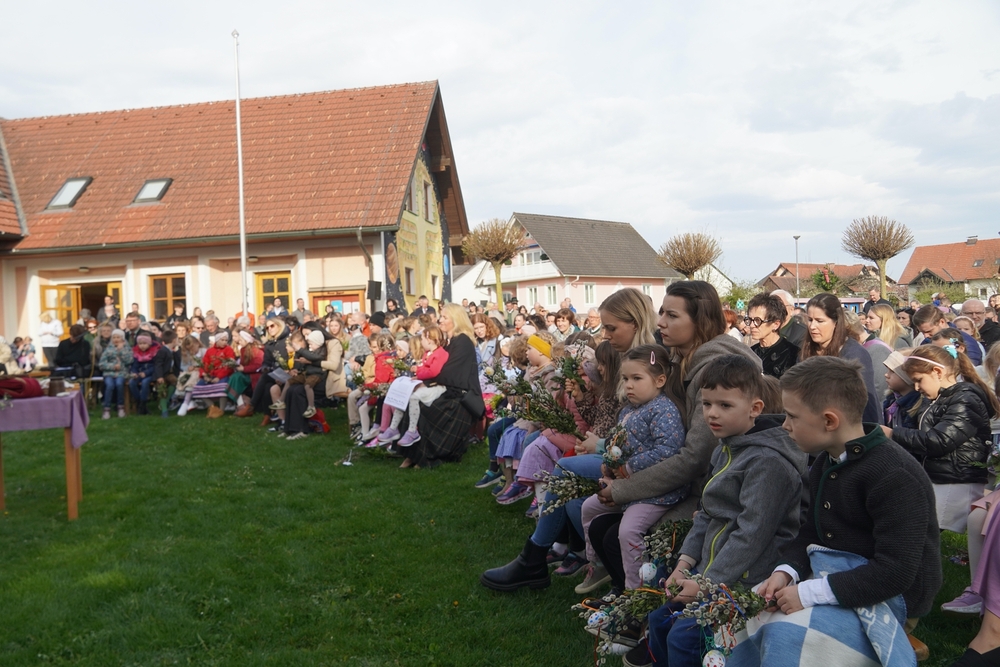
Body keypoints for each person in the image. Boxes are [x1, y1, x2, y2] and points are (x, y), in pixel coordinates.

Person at [734, 356, 941, 667]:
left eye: (792, 416)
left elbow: (896, 572)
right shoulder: (827, 461)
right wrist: (786, 571)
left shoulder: (894, 474)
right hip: (837, 575)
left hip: (890, 597)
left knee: (786, 635)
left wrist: (808, 593)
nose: (785, 425)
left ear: (829, 421)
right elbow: (811, 532)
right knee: (748, 618)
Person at [636, 355, 807, 667]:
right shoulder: (725, 449)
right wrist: (683, 565)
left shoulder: (767, 463)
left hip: (748, 580)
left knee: (684, 637)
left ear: (755, 408)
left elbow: (751, 535)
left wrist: (706, 584)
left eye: (725, 405)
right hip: (712, 571)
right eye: (707, 404)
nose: (712, 413)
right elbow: (707, 513)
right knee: (660, 620)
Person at [580, 345, 687, 592]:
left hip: (655, 492)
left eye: (637, 378)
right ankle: (596, 563)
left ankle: (637, 590)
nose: (628, 385)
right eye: (625, 379)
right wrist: (608, 463)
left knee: (628, 531)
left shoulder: (664, 410)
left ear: (660, 380)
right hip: (628, 486)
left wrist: (628, 466)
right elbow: (617, 444)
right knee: (588, 507)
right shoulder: (628, 410)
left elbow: (668, 450)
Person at [886, 345, 998, 533]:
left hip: (955, 483)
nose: (916, 388)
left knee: (918, 535)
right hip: (940, 478)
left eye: (919, 380)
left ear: (937, 372)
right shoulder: (938, 399)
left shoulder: (966, 399)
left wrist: (892, 434)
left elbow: (939, 441)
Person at [398, 304, 484, 469]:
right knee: (413, 402)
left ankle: (425, 456)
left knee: (425, 407)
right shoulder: (451, 341)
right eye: (441, 316)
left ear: (455, 319)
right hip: (449, 389)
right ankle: (411, 455)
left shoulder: (463, 341)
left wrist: (425, 380)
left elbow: (450, 372)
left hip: (460, 396)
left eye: (444, 317)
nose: (440, 320)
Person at [800, 293, 881, 424]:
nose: (812, 326)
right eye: (810, 320)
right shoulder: (806, 351)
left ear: (836, 322)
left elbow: (865, 406)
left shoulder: (853, 355)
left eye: (820, 321)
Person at [379, 325, 450, 447]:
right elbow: (425, 369)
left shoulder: (440, 354)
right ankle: (393, 428)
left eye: (422, 339)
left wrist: (418, 371)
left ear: (429, 339)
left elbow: (433, 372)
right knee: (403, 395)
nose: (421, 342)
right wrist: (418, 374)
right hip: (426, 383)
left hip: (436, 386)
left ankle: (412, 431)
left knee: (413, 398)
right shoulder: (428, 353)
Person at [746, 293, 799, 379]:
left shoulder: (793, 354)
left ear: (775, 324)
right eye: (749, 320)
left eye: (757, 320)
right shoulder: (750, 353)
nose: (752, 325)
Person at [913, 304, 984, 365]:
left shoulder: (964, 341)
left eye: (929, 331)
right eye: (922, 332)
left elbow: (970, 368)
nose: (925, 336)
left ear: (942, 322)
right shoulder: (926, 343)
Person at [98, 329, 133, 419]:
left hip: (121, 373)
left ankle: (120, 407)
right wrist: (113, 366)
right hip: (109, 373)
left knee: (119, 384)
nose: (116, 339)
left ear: (122, 338)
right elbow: (101, 364)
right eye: (114, 337)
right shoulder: (108, 349)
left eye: (118, 337)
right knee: (109, 385)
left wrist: (120, 350)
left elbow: (129, 361)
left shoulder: (127, 348)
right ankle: (106, 408)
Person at [128, 333, 160, 415]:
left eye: (144, 343)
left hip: (150, 374)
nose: (142, 346)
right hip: (139, 373)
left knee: (145, 382)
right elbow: (134, 366)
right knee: (132, 383)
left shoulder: (154, 352)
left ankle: (142, 404)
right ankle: (140, 403)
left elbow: (156, 366)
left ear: (149, 343)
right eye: (140, 344)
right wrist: (135, 373)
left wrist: (146, 373)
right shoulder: (136, 353)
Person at [321, 317, 349, 404]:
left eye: (336, 326)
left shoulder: (347, 337)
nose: (333, 328)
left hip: (344, 361)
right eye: (331, 326)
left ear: (340, 326)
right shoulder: (327, 338)